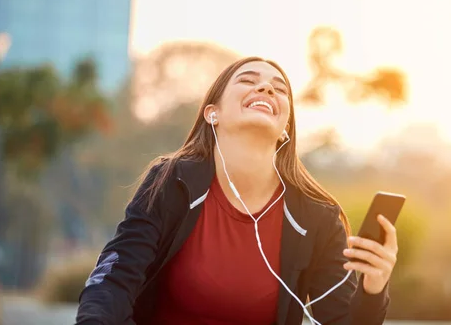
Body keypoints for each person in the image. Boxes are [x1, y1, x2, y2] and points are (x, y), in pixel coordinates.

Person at [75, 57, 399, 325]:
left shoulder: (317, 216)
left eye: (279, 88)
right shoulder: (172, 181)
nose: (266, 87)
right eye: (248, 80)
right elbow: (114, 278)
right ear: (212, 113)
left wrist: (373, 289)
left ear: (285, 125)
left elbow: (339, 319)